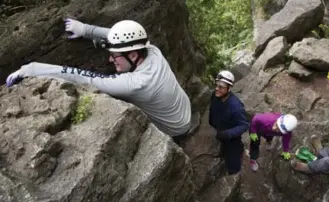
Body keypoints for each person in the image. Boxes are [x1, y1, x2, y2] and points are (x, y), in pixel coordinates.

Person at [5, 18, 191, 137]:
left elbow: (84, 78)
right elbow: (120, 37)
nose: (110, 59)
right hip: (184, 107)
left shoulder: (135, 84)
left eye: (115, 55)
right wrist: (86, 29)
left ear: (133, 55)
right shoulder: (152, 51)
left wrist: (34, 69)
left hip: (175, 129)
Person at [209, 70, 249, 175]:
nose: (217, 89)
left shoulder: (236, 106)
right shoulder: (215, 95)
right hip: (220, 129)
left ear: (229, 88)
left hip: (231, 138)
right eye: (217, 85)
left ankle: (234, 174)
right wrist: (211, 122)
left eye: (221, 87)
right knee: (223, 147)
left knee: (233, 162)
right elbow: (212, 109)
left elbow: (244, 125)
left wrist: (228, 134)